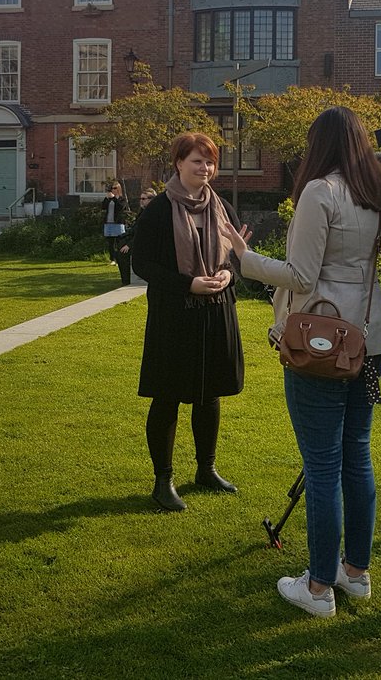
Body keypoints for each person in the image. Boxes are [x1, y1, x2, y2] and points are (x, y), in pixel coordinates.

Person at [222, 106, 381, 618]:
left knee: (323, 465)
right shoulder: (379, 195)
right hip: (370, 336)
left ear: (318, 144)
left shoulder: (320, 192)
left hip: (321, 340)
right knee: (357, 455)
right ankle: (356, 572)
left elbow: (301, 275)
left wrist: (244, 257)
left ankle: (320, 586)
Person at [131, 135, 244, 512]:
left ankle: (205, 470)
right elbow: (142, 264)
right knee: (167, 396)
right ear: (178, 163)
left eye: (210, 162)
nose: (206, 169)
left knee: (209, 391)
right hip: (174, 315)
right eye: (197, 161)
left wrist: (228, 275)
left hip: (215, 311)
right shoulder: (160, 210)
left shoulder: (222, 207)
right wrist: (188, 284)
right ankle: (163, 480)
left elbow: (237, 256)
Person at [116, 187, 155, 285]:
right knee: (120, 251)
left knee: (123, 254)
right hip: (136, 240)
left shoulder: (151, 213)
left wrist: (129, 245)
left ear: (151, 200)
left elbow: (144, 233)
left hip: (145, 243)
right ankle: (125, 280)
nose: (141, 201)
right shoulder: (142, 212)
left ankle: (126, 281)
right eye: (140, 199)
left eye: (144, 199)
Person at [102, 181, 128, 263]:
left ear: (118, 189)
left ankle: (120, 258)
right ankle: (112, 259)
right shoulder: (110, 199)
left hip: (118, 223)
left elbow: (121, 207)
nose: (113, 190)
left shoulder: (121, 199)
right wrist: (107, 198)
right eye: (112, 188)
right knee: (111, 243)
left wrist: (116, 198)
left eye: (115, 188)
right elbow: (103, 207)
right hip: (109, 223)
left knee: (119, 242)